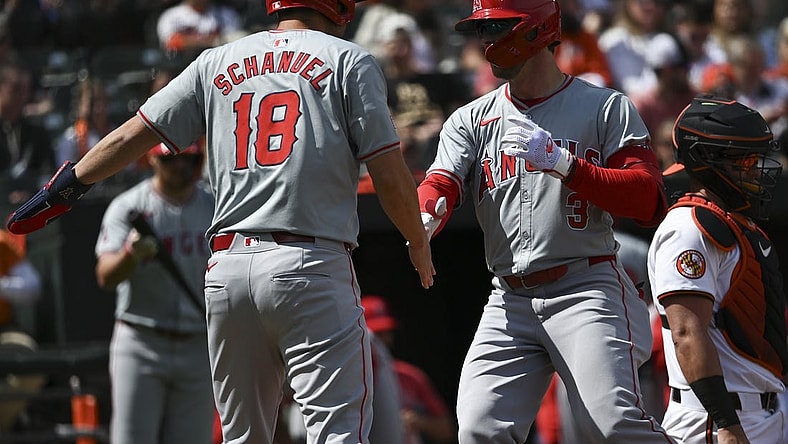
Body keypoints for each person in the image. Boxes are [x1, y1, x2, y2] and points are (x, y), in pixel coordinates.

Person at [5, 1, 436, 443]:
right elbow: (388, 172)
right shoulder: (349, 58)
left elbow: (133, 133)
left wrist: (68, 185)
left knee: (242, 438)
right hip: (310, 261)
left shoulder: (217, 58)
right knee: (338, 433)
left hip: (228, 269)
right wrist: (417, 240)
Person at [415, 0, 674, 442]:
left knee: (612, 428)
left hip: (585, 287)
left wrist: (568, 166)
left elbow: (648, 199)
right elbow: (440, 182)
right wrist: (424, 215)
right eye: (482, 29)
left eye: (497, 27)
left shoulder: (604, 107)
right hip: (508, 298)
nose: (485, 41)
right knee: (479, 429)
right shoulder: (471, 120)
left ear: (536, 30)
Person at [647, 95, 786, 444]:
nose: (757, 171)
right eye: (747, 160)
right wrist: (726, 424)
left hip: (764, 412)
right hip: (718, 420)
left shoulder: (736, 223)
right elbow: (687, 333)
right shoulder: (689, 226)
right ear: (709, 162)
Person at [95, 143, 214, 444]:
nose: (181, 165)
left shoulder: (215, 206)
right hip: (141, 340)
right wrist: (129, 254)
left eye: (190, 157)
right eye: (171, 158)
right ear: (152, 158)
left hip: (198, 344)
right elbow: (105, 276)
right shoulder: (130, 206)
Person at [360, 294, 456, 444]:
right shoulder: (349, 380)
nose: (384, 340)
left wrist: (419, 421)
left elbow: (447, 429)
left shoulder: (409, 375)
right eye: (377, 335)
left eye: (387, 332)